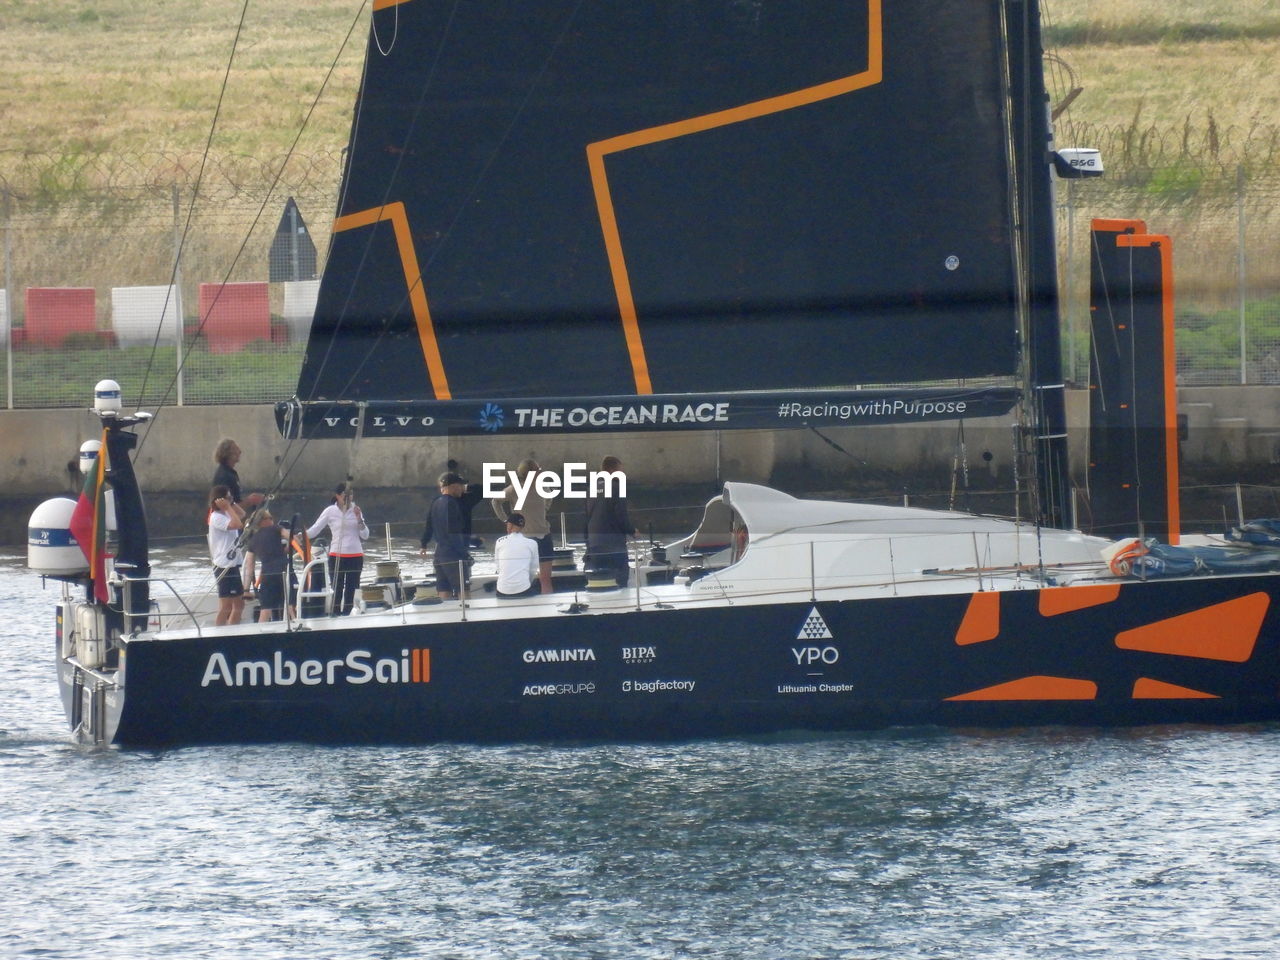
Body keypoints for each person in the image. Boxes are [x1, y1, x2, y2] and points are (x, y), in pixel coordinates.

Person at [490, 458, 555, 593]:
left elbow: (549, 497)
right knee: (525, 576)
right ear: (530, 472)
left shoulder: (543, 486)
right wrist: (506, 519)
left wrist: (545, 509)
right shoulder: (514, 489)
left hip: (544, 535)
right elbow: (495, 501)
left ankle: (548, 605)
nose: (541, 472)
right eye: (538, 470)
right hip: (524, 538)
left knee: (545, 577)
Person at [306, 482, 369, 615]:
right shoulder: (330, 511)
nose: (348, 497)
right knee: (337, 586)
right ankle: (334, 612)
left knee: (352, 587)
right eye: (345, 495)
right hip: (336, 555)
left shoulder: (356, 509)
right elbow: (315, 529)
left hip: (355, 555)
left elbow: (365, 535)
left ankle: (348, 613)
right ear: (338, 496)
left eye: (350, 494)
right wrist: (300, 535)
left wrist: (359, 519)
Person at [584, 455, 637, 587]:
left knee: (601, 582)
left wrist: (588, 542)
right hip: (614, 544)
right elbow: (621, 516)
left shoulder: (592, 489)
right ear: (612, 471)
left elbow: (586, 517)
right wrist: (632, 531)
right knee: (621, 579)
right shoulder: (617, 488)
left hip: (594, 544)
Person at [420, 471, 472, 599]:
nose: (462, 489)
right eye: (460, 485)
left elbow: (429, 525)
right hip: (453, 555)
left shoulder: (436, 502)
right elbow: (454, 533)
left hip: (439, 555)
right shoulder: (452, 504)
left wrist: (424, 544)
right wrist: (465, 555)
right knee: (463, 589)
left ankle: (445, 617)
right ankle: (469, 616)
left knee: (444, 589)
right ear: (453, 486)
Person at [243, 510, 296, 623]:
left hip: (267, 575)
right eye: (270, 518)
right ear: (263, 521)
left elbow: (249, 566)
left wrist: (246, 589)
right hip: (284, 571)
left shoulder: (252, 540)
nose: (272, 520)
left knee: (265, 609)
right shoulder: (276, 529)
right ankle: (297, 626)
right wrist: (291, 546)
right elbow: (293, 539)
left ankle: (259, 634)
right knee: (290, 605)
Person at [207, 484, 247, 626]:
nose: (231, 501)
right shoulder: (216, 517)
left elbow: (242, 515)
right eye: (228, 498)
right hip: (224, 565)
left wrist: (231, 503)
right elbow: (237, 524)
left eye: (231, 498)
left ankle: (232, 629)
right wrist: (227, 507)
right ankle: (219, 631)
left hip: (233, 563)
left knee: (239, 605)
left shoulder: (225, 513)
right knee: (226, 606)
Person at [493, 512, 541, 599]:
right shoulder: (532, 543)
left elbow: (498, 566)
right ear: (522, 527)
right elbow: (534, 568)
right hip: (523, 590)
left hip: (501, 591)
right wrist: (526, 582)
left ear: (510, 525)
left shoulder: (499, 541)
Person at [212, 438, 264, 508]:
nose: (239, 452)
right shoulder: (223, 476)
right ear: (228, 454)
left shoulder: (231, 473)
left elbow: (236, 502)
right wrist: (250, 501)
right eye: (235, 449)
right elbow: (225, 508)